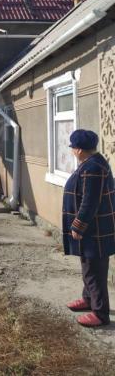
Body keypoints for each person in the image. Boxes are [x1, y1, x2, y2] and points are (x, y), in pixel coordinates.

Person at [63, 129, 115, 327]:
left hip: (95, 230)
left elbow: (90, 201)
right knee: (88, 265)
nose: (72, 151)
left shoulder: (93, 167)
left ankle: (100, 313)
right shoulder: (93, 163)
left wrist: (78, 225)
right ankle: (88, 299)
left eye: (73, 148)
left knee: (94, 270)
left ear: (78, 149)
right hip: (93, 228)